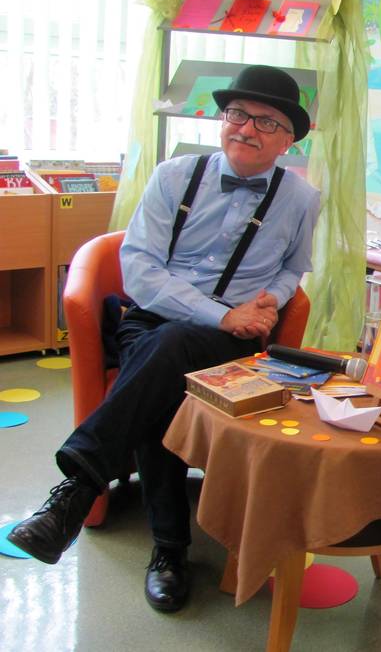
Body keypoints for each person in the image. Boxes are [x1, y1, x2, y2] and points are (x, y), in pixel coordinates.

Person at [6, 65, 320, 613]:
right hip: (153, 321)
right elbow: (140, 269)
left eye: (266, 121)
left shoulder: (302, 198)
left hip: (235, 340)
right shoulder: (174, 176)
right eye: (238, 114)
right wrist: (219, 316)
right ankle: (166, 550)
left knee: (166, 362)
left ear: (288, 139)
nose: (247, 128)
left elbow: (295, 267)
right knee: (168, 363)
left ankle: (82, 494)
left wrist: (270, 300)